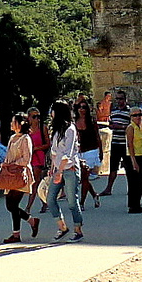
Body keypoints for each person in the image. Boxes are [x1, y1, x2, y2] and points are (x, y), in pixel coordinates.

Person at [44, 99, 85, 241]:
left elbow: (67, 153)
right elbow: (54, 152)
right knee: (50, 199)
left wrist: (59, 172)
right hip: (58, 169)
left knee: (72, 201)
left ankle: (78, 229)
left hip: (70, 169)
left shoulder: (70, 129)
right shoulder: (56, 130)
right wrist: (53, 168)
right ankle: (62, 226)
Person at [0, 112, 35, 243]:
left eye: (14, 121)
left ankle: (16, 234)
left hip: (21, 175)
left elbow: (26, 159)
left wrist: (13, 164)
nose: (11, 124)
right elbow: (8, 156)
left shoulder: (25, 139)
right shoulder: (13, 138)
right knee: (10, 205)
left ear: (20, 124)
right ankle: (31, 221)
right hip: (11, 175)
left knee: (13, 204)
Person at [100, 91, 131, 196]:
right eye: (117, 99)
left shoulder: (129, 112)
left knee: (128, 167)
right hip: (115, 142)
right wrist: (112, 125)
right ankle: (108, 188)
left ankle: (130, 188)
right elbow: (111, 122)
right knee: (113, 166)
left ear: (125, 100)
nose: (119, 101)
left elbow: (132, 128)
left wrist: (121, 127)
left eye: (121, 99)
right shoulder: (113, 112)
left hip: (125, 143)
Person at [23, 106, 48, 237]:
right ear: (28, 117)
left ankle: (28, 206)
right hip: (28, 157)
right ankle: (44, 202)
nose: (37, 119)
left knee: (35, 182)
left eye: (38, 116)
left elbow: (47, 143)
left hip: (38, 156)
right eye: (34, 116)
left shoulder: (42, 128)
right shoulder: (26, 129)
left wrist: (36, 148)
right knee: (33, 182)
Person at [74, 100, 103, 209]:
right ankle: (94, 195)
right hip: (79, 151)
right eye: (80, 107)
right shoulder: (74, 122)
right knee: (83, 178)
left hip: (91, 150)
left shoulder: (91, 121)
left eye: (84, 107)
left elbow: (97, 136)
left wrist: (101, 150)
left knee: (85, 177)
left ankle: (81, 202)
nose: (82, 109)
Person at [125, 106, 142, 213]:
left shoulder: (138, 127)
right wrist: (134, 161)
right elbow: (130, 144)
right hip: (133, 157)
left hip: (141, 156)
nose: (138, 117)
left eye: (140, 115)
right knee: (134, 183)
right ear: (131, 117)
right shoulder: (131, 128)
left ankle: (136, 204)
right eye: (135, 115)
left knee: (139, 182)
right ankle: (133, 206)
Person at [95, 91, 113, 178]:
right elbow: (100, 112)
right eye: (108, 96)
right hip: (102, 120)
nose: (109, 98)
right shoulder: (101, 103)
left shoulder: (110, 103)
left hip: (107, 120)